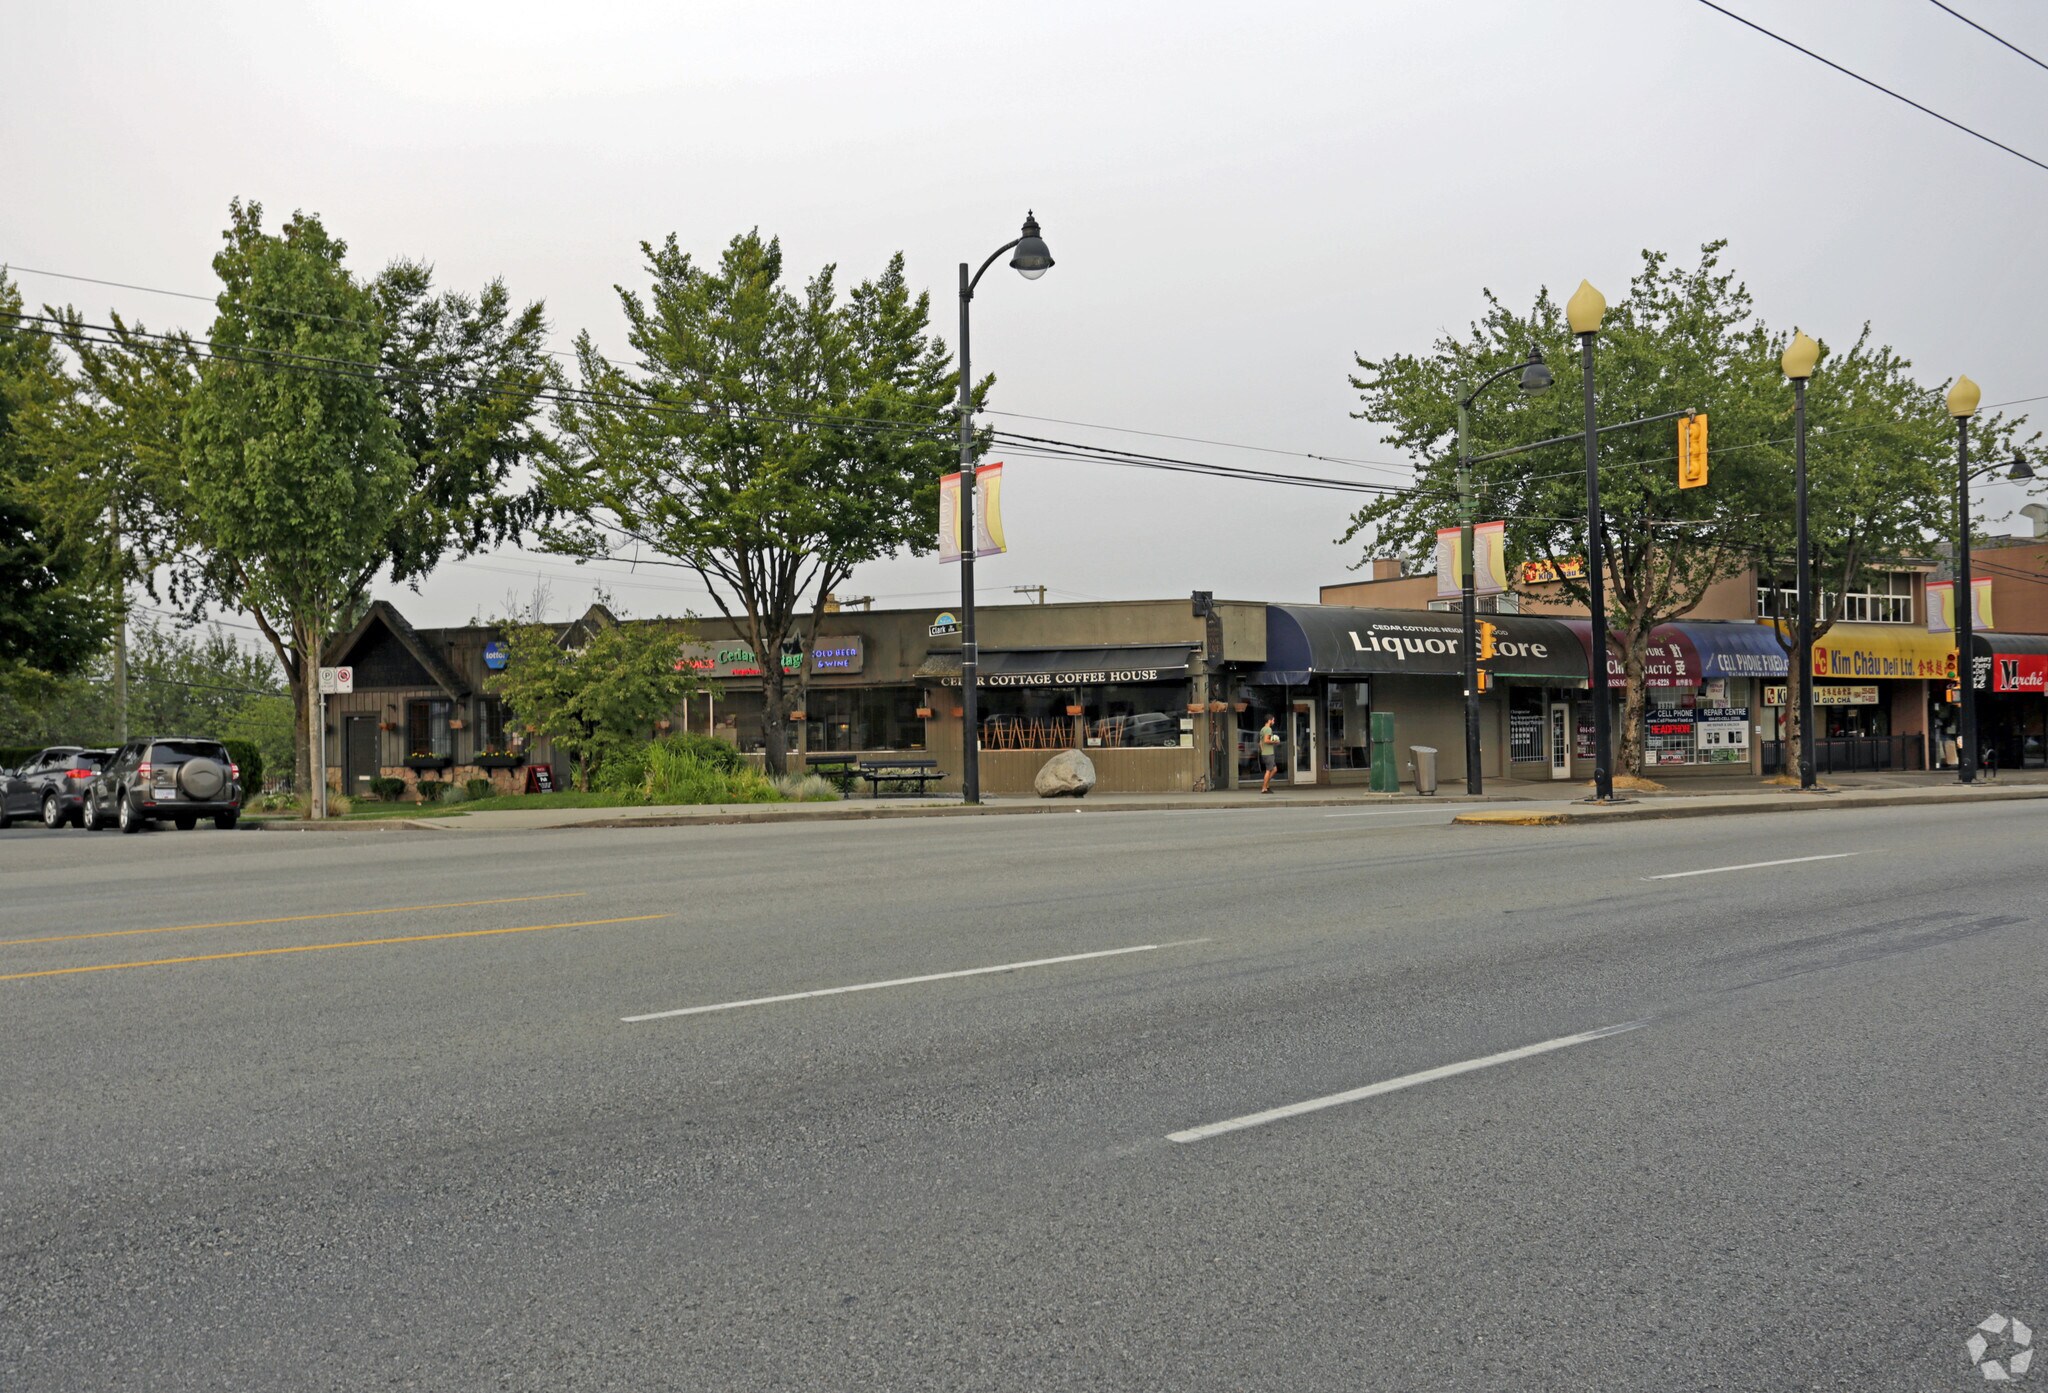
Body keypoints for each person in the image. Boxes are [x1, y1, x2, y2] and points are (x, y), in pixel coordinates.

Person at [1258, 716, 1281, 793]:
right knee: (1268, 770)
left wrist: (1262, 751)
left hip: (1265, 753)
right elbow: (1266, 740)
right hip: (1268, 753)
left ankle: (1266, 785)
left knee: (1274, 769)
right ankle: (1264, 788)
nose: (1274, 721)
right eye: (1273, 720)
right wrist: (1275, 742)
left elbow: (1260, 742)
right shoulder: (1268, 729)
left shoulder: (1262, 729)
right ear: (1269, 720)